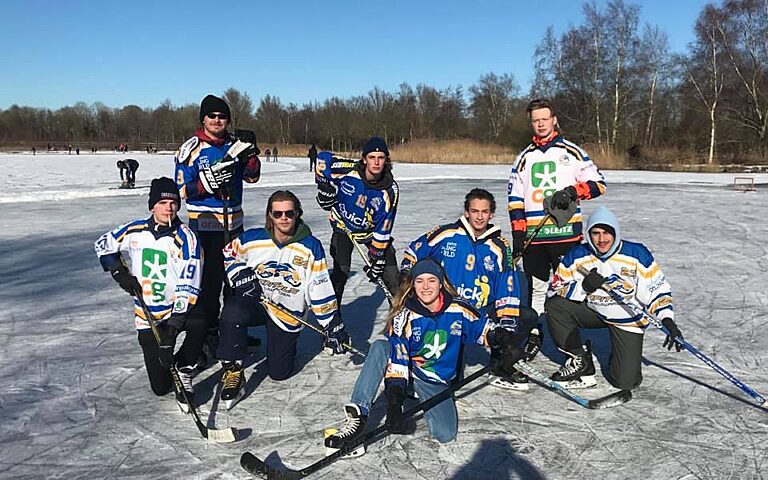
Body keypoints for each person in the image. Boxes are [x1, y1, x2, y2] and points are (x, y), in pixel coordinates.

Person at [324, 258, 525, 450]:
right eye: (420, 281)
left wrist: (504, 340)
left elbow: (483, 328)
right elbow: (399, 361)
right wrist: (394, 404)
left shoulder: (458, 308)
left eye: (431, 280)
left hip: (434, 380)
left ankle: (419, 395)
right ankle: (359, 415)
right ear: (413, 285)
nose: (426, 286)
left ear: (440, 284)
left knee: (444, 434)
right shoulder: (405, 315)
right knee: (381, 347)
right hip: (408, 371)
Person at [215, 190, 350, 408]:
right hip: (257, 302)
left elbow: (319, 288)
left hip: (286, 313)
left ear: (297, 213)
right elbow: (229, 253)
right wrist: (240, 273)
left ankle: (284, 346)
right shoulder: (253, 238)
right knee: (233, 309)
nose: (284, 218)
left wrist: (332, 326)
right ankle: (233, 369)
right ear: (270, 215)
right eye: (277, 214)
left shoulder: (310, 246)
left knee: (279, 373)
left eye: (289, 213)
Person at [401, 188, 537, 389]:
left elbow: (507, 287)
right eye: (475, 211)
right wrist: (408, 279)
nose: (479, 217)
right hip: (450, 312)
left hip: (481, 312)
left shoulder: (500, 246)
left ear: (491, 214)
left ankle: (499, 365)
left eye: (484, 212)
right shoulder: (446, 234)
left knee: (527, 316)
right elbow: (413, 252)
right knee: (448, 381)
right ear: (466, 212)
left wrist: (505, 334)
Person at [94, 177, 205, 411]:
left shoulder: (187, 239)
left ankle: (185, 367)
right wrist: (118, 272)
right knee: (160, 387)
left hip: (177, 311)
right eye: (163, 202)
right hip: (147, 315)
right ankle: (170, 364)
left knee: (200, 322)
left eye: (173, 203)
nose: (169, 208)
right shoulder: (135, 230)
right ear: (152, 205)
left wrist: (173, 329)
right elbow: (103, 245)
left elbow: (189, 283)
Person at [545, 206, 682, 390]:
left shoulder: (637, 254)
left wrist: (668, 320)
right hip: (594, 311)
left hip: (627, 319)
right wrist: (583, 287)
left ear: (616, 231)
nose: (602, 239)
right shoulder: (577, 255)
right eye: (596, 233)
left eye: (607, 232)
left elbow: (658, 290)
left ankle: (620, 351)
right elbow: (554, 289)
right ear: (589, 234)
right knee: (555, 306)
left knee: (625, 382)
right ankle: (579, 358)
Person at [174, 94, 261, 362]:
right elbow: (180, 191)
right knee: (209, 287)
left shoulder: (235, 144)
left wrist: (251, 155)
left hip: (234, 226)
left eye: (222, 116)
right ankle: (210, 335)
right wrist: (205, 183)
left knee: (235, 284)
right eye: (212, 116)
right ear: (203, 119)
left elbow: (253, 176)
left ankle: (233, 330)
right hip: (205, 228)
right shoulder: (190, 149)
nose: (217, 120)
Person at [508, 98, 607, 327]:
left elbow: (599, 184)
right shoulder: (523, 158)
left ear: (554, 120)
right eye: (536, 120)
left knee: (571, 289)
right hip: (535, 238)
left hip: (566, 236)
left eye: (545, 119)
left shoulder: (572, 152)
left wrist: (573, 191)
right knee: (536, 289)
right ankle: (535, 333)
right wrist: (518, 234)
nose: (541, 124)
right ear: (531, 123)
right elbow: (515, 200)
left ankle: (571, 339)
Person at [315, 136, 400, 305]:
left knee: (392, 277)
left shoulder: (390, 190)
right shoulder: (348, 170)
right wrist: (324, 188)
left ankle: (400, 322)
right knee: (340, 272)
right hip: (343, 226)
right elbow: (322, 159)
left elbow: (384, 226)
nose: (376, 162)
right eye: (371, 157)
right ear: (364, 159)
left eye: (381, 158)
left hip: (370, 232)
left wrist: (378, 257)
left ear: (386, 160)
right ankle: (331, 321)